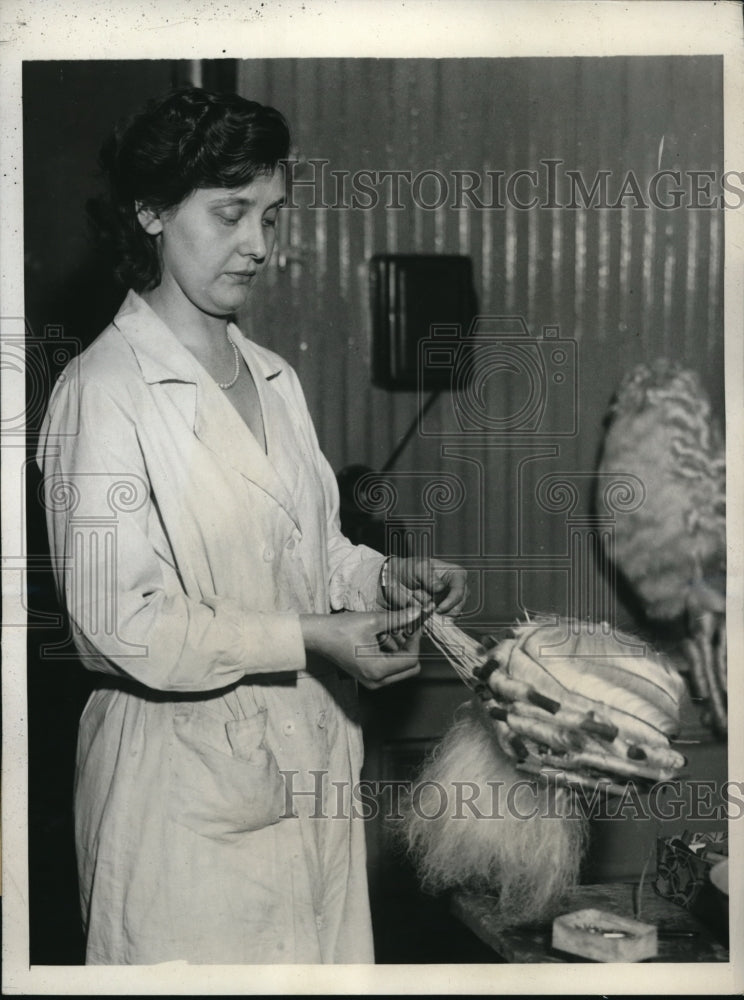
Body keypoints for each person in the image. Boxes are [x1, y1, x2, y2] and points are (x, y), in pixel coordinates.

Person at [37, 86, 468, 965]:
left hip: (309, 770)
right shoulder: (100, 392)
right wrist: (314, 636)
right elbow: (116, 627)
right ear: (150, 210)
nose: (259, 246)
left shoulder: (273, 376)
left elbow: (309, 551)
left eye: (271, 216)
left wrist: (379, 579)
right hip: (180, 807)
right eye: (231, 213)